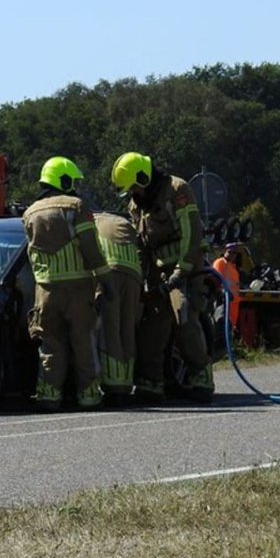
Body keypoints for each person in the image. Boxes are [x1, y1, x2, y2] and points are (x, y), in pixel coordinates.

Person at [113, 151, 213, 404]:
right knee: (152, 326)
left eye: (135, 188)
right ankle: (152, 383)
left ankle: (201, 376)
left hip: (186, 268)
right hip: (158, 272)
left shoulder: (177, 189)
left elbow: (192, 232)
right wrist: (142, 277)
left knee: (184, 317)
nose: (134, 194)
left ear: (144, 178)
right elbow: (141, 245)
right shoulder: (136, 205)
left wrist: (181, 271)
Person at [23, 157, 110, 411]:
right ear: (63, 180)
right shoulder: (76, 206)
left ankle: (49, 395)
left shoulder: (30, 212)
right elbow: (91, 249)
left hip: (45, 292)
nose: (76, 186)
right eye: (73, 181)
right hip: (78, 289)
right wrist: (106, 281)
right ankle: (89, 395)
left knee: (50, 344)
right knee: (84, 342)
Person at [93, 212, 142, 406]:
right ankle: (126, 382)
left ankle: (114, 386)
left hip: (110, 273)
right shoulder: (121, 221)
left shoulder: (87, 220)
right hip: (134, 274)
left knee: (109, 330)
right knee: (127, 330)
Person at [212, 243, 243, 331]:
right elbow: (216, 279)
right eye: (230, 252)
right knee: (221, 327)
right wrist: (222, 292)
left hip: (233, 303)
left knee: (230, 328)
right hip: (224, 302)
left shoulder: (233, 268)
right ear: (224, 252)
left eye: (234, 253)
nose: (232, 255)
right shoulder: (221, 262)